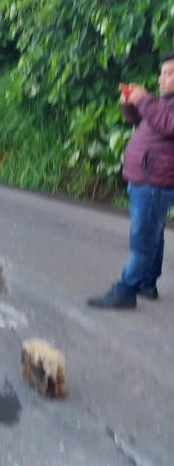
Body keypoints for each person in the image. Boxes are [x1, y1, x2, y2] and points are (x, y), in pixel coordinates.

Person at [88, 51, 174, 309]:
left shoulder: (163, 106)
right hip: (147, 180)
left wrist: (145, 99)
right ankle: (147, 283)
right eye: (162, 73)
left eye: (170, 74)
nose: (162, 78)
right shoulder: (163, 102)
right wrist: (130, 103)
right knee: (154, 233)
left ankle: (126, 291)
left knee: (143, 239)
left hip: (155, 182)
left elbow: (169, 125)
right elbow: (137, 120)